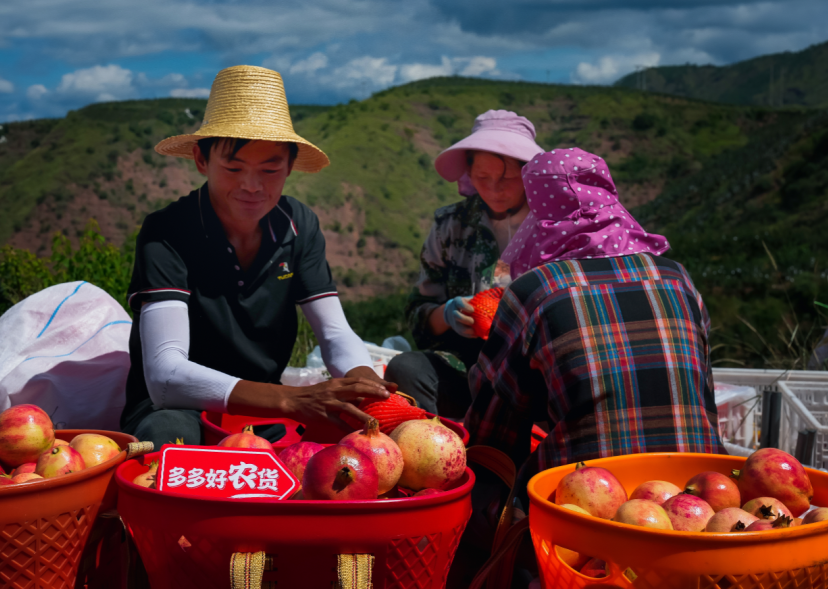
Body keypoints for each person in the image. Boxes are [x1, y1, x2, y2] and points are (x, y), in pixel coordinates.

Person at [451, 148, 723, 584]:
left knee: (477, 489)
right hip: (706, 500)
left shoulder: (535, 289)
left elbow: (494, 434)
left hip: (586, 513)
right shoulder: (678, 279)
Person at [121, 65, 393, 448]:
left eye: (270, 169)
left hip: (261, 414)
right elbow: (166, 376)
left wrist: (363, 382)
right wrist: (290, 399)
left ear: (291, 166)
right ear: (202, 160)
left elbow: (333, 332)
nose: (252, 186)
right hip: (180, 409)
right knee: (170, 442)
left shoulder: (298, 225)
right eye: (233, 168)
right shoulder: (168, 232)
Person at [385, 110, 544, 418]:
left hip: (536, 368)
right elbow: (419, 311)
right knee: (407, 368)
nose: (495, 188)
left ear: (528, 173)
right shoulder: (451, 225)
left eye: (508, 177)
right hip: (468, 367)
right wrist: (447, 314)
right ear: (469, 174)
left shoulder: (552, 224)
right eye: (483, 178)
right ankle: (438, 444)